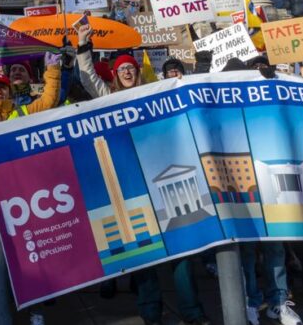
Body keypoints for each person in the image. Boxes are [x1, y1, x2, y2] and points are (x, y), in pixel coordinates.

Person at [73, 24, 210, 325]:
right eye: (122, 69)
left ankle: (192, 312)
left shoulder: (154, 94)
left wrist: (202, 64)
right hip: (131, 183)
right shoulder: (108, 96)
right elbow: (88, 78)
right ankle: (150, 312)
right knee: (145, 254)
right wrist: (83, 45)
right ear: (115, 74)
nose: (127, 72)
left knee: (181, 253)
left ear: (138, 72)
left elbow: (186, 91)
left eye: (131, 68)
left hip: (163, 180)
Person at [0, 63, 61, 325]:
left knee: (31, 261)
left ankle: (36, 313)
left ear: (9, 92)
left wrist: (52, 68)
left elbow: (50, 100)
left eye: (3, 88)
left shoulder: (21, 113)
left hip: (24, 202)